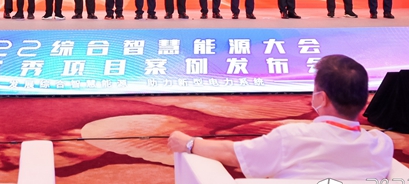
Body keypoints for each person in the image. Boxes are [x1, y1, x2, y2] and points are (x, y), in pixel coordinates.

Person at [168, 55, 394, 180]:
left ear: (321, 98)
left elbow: (236, 156)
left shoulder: (293, 137)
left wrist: (189, 143)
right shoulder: (381, 144)